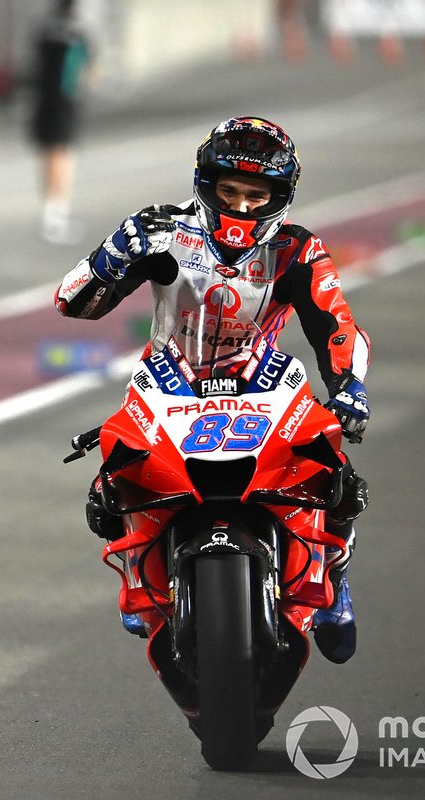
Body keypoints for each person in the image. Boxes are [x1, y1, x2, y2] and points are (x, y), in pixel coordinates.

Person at [54, 116, 371, 664]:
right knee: (112, 478)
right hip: (168, 376)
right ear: (206, 184)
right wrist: (109, 259)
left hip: (265, 376)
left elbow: (335, 323)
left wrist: (348, 388)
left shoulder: (299, 249)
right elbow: (72, 302)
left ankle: (334, 572)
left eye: (256, 194)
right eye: (229, 190)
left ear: (280, 196)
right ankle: (139, 567)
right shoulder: (157, 230)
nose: (242, 205)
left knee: (329, 460)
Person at [29, 0, 92, 245]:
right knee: (61, 155)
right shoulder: (75, 34)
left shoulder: (45, 29)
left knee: (50, 154)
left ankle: (51, 212)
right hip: (62, 104)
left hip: (45, 101)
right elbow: (81, 73)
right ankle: (55, 214)